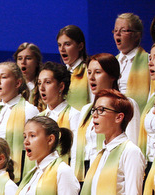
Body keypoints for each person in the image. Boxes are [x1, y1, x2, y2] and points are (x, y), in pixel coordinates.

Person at [72, 53, 141, 182]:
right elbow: (77, 148)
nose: (92, 78)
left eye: (98, 72)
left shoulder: (127, 104)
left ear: (112, 76)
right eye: (89, 72)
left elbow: (132, 142)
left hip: (110, 172)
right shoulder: (86, 109)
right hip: (85, 172)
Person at [0, 61, 40, 182]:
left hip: (18, 175)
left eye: (3, 77)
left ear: (18, 83)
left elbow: (37, 148)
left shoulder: (29, 110)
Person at [114, 12, 151, 112]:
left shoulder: (149, 60)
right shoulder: (113, 61)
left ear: (136, 35)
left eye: (123, 30)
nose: (117, 34)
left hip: (138, 115)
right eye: (116, 30)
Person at [37, 61, 81, 136]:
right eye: (39, 83)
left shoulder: (74, 116)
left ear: (61, 86)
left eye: (47, 82)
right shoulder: (38, 118)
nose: (41, 88)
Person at [57, 25, 91, 110]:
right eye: (59, 45)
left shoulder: (89, 70)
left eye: (67, 44)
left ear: (80, 46)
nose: (62, 49)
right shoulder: (60, 73)